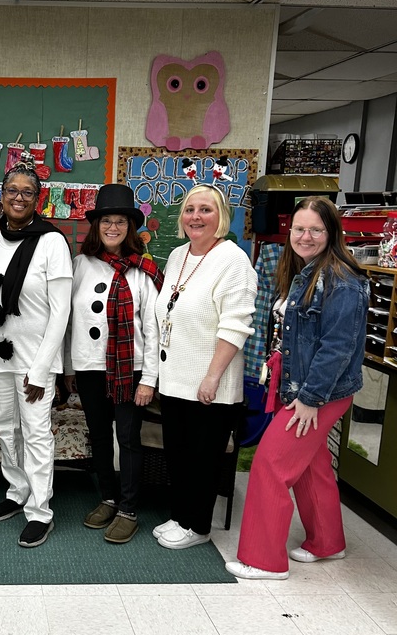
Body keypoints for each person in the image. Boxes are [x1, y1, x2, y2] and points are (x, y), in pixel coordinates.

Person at [226, 195, 368, 580]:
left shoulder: (342, 281)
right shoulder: (306, 271)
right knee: (312, 466)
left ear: (331, 233)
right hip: (299, 386)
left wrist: (309, 399)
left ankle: (264, 559)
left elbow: (337, 347)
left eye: (315, 230)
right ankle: (328, 542)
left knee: (270, 465)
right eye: (299, 229)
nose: (305, 237)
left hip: (318, 393)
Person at [154, 183, 257, 550]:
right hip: (175, 378)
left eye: (206, 210)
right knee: (179, 455)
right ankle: (180, 516)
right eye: (190, 209)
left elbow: (236, 325)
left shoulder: (233, 260)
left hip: (210, 383)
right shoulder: (178, 255)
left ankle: (198, 526)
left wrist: (212, 377)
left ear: (221, 218)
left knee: (203, 458)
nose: (196, 217)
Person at [0, 155, 73, 548]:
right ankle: (16, 492)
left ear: (39, 199)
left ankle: (40, 509)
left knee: (35, 432)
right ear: (1, 195)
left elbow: (61, 309)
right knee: (5, 427)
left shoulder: (52, 243)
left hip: (35, 360)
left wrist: (42, 367)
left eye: (27, 192)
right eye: (12, 190)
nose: (19, 197)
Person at [64, 183, 163, 543]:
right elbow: (68, 321)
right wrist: (70, 369)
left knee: (128, 438)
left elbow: (153, 329)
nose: (113, 227)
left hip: (129, 370)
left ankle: (129, 508)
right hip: (90, 368)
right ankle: (107, 496)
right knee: (100, 437)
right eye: (107, 220)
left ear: (130, 227)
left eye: (121, 221)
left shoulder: (142, 272)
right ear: (96, 225)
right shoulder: (80, 265)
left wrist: (149, 378)